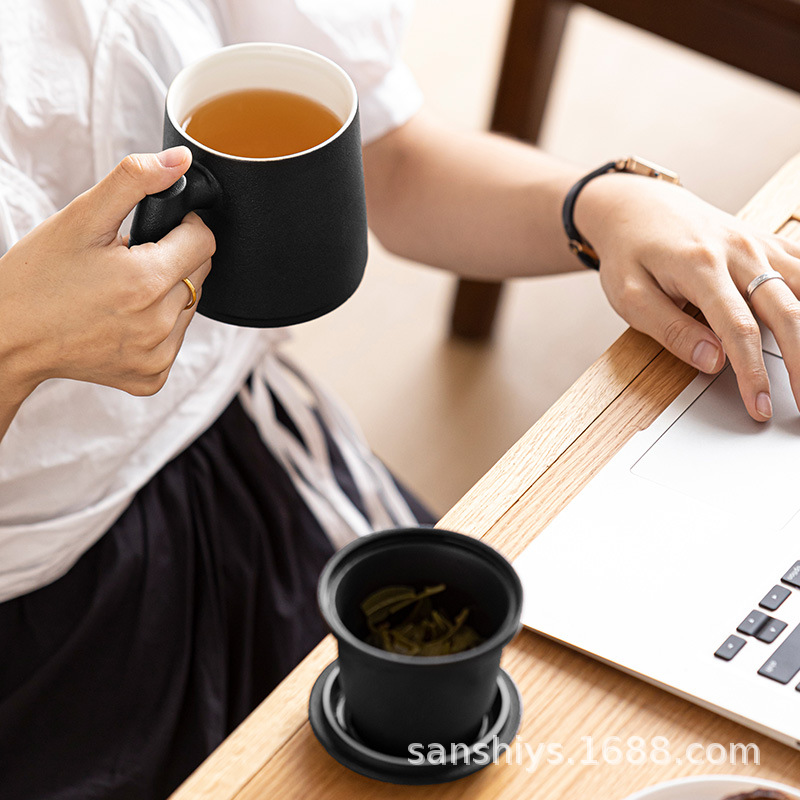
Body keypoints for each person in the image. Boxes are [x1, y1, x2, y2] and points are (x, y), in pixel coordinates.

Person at [0, 1, 798, 798]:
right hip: (43, 624)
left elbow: (391, 162)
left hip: (252, 455)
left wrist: (605, 203)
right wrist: (18, 341)